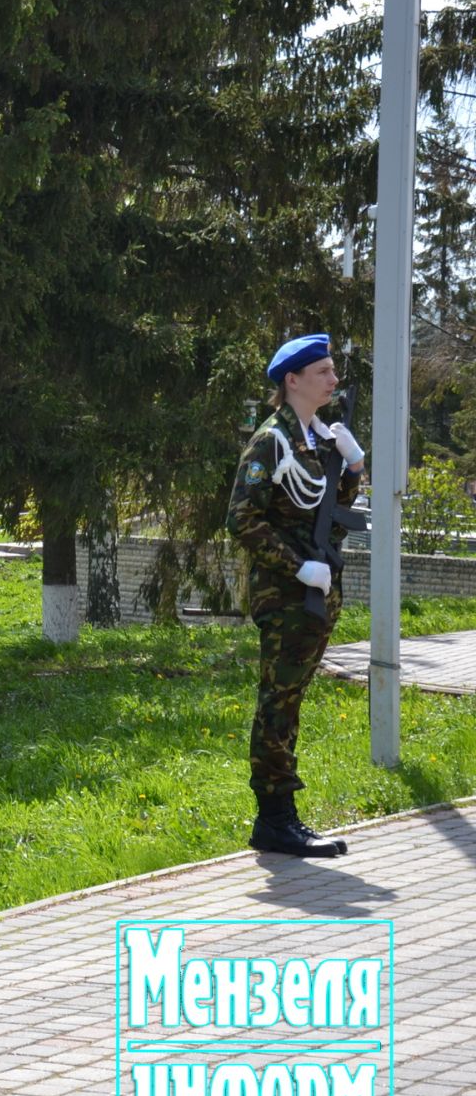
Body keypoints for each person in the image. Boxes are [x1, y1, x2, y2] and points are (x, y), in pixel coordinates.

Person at [226, 333, 364, 858]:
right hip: (285, 595)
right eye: (324, 371)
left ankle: (283, 817)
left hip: (315, 593)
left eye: (332, 371)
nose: (333, 380)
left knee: (291, 703)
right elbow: (240, 517)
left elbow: (330, 517)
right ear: (294, 380)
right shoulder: (272, 440)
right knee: (277, 705)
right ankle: (275, 820)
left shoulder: (316, 438)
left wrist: (351, 467)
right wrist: (297, 566)